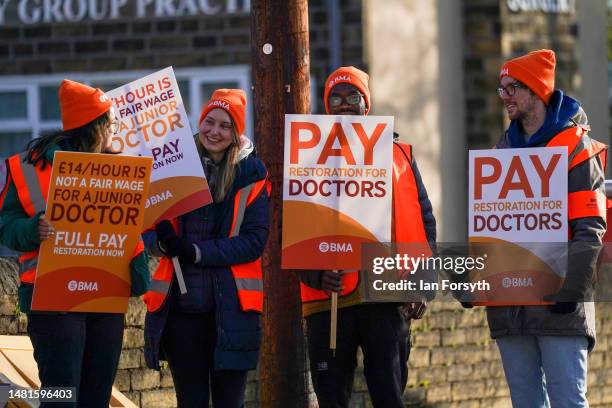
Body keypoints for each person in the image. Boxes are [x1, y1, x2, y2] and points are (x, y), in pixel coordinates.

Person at [0, 79, 150, 407]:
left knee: (96, 398)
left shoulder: (119, 168)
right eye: (111, 124)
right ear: (93, 127)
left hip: (105, 300)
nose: (116, 131)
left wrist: (138, 272)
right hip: (53, 300)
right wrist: (32, 230)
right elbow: (5, 227)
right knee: (60, 397)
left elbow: (128, 232)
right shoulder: (28, 167)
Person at [300, 66, 437, 408]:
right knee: (332, 397)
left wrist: (423, 283)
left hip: (387, 297)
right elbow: (295, 226)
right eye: (336, 97)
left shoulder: (399, 153)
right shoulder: (309, 155)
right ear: (327, 104)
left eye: (353, 96)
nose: (344, 103)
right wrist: (315, 274)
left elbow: (423, 221)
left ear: (367, 103)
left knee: (390, 395)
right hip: (328, 299)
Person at [489, 49, 607, 407]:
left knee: (568, 402)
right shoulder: (501, 151)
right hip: (511, 308)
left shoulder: (575, 149)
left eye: (512, 87)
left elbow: (590, 227)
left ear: (537, 90)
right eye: (501, 88)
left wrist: (571, 290)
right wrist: (478, 284)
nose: (505, 96)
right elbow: (492, 230)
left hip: (560, 304)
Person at [142, 89, 270, 407]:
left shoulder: (252, 175)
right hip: (181, 311)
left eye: (225, 125)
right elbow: (143, 230)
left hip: (232, 314)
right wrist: (160, 240)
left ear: (236, 132)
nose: (214, 131)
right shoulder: (173, 166)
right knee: (191, 402)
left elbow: (253, 243)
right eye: (208, 122)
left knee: (230, 403)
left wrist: (195, 251)